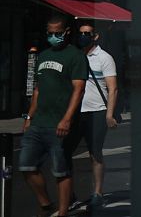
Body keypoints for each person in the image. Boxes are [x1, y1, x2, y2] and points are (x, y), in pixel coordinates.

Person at [20, 15, 88, 217]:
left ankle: (63, 212)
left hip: (59, 123)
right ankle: (46, 204)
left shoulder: (76, 56)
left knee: (61, 170)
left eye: (57, 33)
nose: (53, 37)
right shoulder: (43, 56)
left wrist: (67, 119)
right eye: (49, 33)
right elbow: (38, 90)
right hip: (38, 121)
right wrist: (29, 117)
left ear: (66, 32)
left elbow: (79, 90)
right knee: (26, 165)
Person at [62, 21, 119, 210]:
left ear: (95, 36)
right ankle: (69, 196)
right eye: (80, 33)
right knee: (64, 152)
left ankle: (97, 193)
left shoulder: (104, 58)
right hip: (76, 112)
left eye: (87, 33)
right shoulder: (74, 56)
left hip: (97, 112)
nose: (83, 36)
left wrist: (109, 114)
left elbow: (113, 89)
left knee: (95, 153)